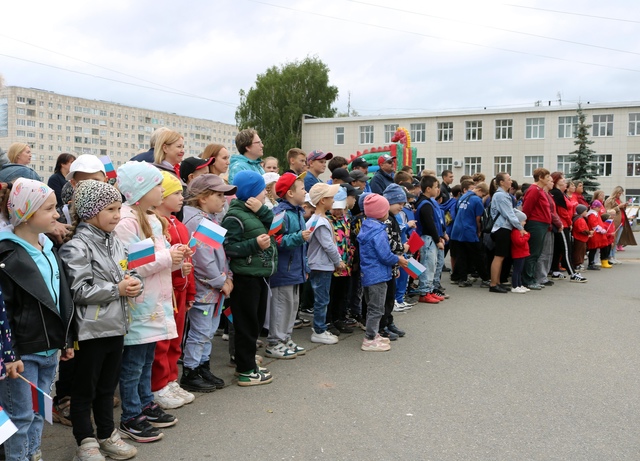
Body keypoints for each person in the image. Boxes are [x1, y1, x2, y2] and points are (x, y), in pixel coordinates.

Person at [59, 180, 141, 461]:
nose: (118, 215)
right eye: (110, 209)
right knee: (85, 390)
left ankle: (107, 435)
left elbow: (129, 270)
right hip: (90, 330)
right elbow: (78, 290)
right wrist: (116, 290)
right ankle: (86, 441)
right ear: (91, 210)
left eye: (119, 208)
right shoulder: (76, 247)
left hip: (116, 326)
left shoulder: (116, 241)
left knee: (107, 387)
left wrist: (134, 282)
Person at [0, 178, 74, 461]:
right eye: (50, 209)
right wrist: (10, 354)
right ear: (27, 214)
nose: (57, 214)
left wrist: (65, 339)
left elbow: (60, 297)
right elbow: (3, 311)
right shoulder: (7, 253)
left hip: (48, 350)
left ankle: (33, 454)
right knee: (20, 417)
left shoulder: (48, 247)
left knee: (39, 413)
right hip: (23, 354)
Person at [114, 162, 186, 442]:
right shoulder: (127, 222)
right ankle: (131, 415)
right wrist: (169, 258)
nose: (161, 190)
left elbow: (156, 256)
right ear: (142, 190)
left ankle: (145, 403)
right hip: (139, 306)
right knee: (133, 364)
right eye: (157, 185)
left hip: (153, 303)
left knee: (145, 360)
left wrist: (174, 251)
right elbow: (133, 265)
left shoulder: (151, 219)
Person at [181, 174, 237, 391]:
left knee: (208, 329)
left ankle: (202, 366)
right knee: (200, 331)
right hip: (204, 288)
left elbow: (218, 254)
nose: (224, 199)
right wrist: (220, 280)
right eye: (219, 195)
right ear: (203, 198)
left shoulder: (210, 219)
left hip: (213, 288)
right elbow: (202, 257)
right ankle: (190, 371)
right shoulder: (198, 221)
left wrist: (226, 277)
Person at [221, 171, 277, 386]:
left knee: (254, 323)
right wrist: (254, 244)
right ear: (252, 192)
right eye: (262, 189)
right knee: (245, 324)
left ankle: (248, 364)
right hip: (245, 277)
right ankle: (245, 370)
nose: (265, 192)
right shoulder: (234, 217)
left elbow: (278, 227)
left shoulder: (254, 212)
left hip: (259, 275)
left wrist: (262, 211)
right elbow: (228, 247)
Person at [152, 173, 197, 406]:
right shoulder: (154, 225)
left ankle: (171, 380)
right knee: (162, 341)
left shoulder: (178, 224)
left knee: (175, 339)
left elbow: (190, 264)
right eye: (176, 193)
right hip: (163, 292)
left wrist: (190, 293)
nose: (182, 197)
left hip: (180, 291)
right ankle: (158, 385)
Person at [266, 173, 310, 359]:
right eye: (302, 188)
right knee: (281, 306)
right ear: (290, 193)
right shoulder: (281, 214)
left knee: (292, 305)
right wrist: (298, 237)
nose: (305, 191)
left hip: (295, 269)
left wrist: (305, 267)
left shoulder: (298, 212)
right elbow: (275, 240)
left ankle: (286, 337)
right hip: (283, 270)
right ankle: (275, 341)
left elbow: (303, 247)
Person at [357, 194, 408, 352]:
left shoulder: (367, 226)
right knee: (376, 308)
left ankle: (373, 334)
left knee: (373, 306)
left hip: (369, 274)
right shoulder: (378, 232)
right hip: (377, 275)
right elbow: (385, 255)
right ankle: (370, 338)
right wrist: (398, 259)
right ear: (381, 212)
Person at [306, 183, 346, 344]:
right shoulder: (320, 222)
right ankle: (319, 330)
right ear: (322, 200)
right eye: (331, 197)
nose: (333, 200)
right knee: (322, 299)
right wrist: (338, 261)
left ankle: (320, 327)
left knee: (322, 297)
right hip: (321, 265)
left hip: (319, 264)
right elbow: (328, 245)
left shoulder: (317, 220)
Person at [489, 173, 524, 293]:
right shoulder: (501, 196)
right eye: (508, 180)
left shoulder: (504, 195)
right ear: (501, 182)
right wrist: (520, 228)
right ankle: (493, 284)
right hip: (501, 228)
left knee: (501, 256)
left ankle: (497, 282)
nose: (511, 181)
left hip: (503, 228)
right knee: (499, 256)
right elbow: (509, 214)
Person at [450, 180, 490, 287]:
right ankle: (485, 278)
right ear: (480, 190)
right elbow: (478, 219)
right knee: (478, 255)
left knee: (461, 255)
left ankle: (462, 278)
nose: (483, 197)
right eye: (483, 194)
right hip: (469, 230)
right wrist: (479, 231)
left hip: (457, 229)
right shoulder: (477, 200)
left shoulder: (463, 196)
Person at [327, 187, 354, 335]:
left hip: (346, 264)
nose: (338, 211)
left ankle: (339, 318)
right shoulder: (327, 220)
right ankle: (329, 320)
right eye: (335, 208)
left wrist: (351, 257)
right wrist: (336, 262)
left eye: (340, 208)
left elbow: (349, 240)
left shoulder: (346, 219)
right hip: (333, 265)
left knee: (342, 294)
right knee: (332, 294)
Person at [415, 175, 444, 304]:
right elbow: (430, 224)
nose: (437, 189)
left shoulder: (428, 202)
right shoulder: (425, 204)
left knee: (432, 264)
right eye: (436, 187)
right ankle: (424, 292)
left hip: (430, 238)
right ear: (428, 189)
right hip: (427, 238)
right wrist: (437, 239)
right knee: (427, 264)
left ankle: (430, 290)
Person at [522, 168, 552, 290]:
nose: (550, 178)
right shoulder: (534, 190)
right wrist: (524, 223)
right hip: (536, 224)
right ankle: (527, 279)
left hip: (541, 224)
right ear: (540, 177)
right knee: (533, 253)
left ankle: (531, 278)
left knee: (536, 253)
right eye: (547, 176)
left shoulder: (540, 190)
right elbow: (527, 208)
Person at [586, 201, 611, 270]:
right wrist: (601, 230)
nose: (600, 209)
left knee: (598, 248)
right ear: (595, 207)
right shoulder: (592, 215)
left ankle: (600, 261)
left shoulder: (595, 214)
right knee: (593, 249)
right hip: (595, 234)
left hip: (597, 234)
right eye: (599, 207)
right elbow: (594, 225)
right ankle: (591, 264)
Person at [604, 186, 627, 263]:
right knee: (612, 240)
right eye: (619, 193)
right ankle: (610, 256)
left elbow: (620, 209)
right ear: (615, 192)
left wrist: (624, 207)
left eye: (621, 193)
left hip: (621, 222)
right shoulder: (609, 200)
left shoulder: (619, 200)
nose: (620, 195)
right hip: (614, 222)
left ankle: (613, 256)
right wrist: (618, 207)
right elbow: (607, 211)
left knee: (616, 241)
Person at [510, 209, 530, 294]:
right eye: (523, 221)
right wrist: (527, 236)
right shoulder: (516, 232)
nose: (525, 223)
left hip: (522, 253)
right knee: (517, 270)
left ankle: (519, 284)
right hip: (519, 253)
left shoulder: (519, 231)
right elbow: (519, 242)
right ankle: (515, 286)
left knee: (519, 270)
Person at [572, 204, 591, 271]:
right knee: (579, 252)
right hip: (579, 238)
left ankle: (578, 263)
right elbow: (581, 229)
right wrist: (588, 232)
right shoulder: (579, 219)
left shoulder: (580, 218)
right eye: (585, 211)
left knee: (581, 251)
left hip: (581, 238)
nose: (586, 212)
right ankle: (577, 264)